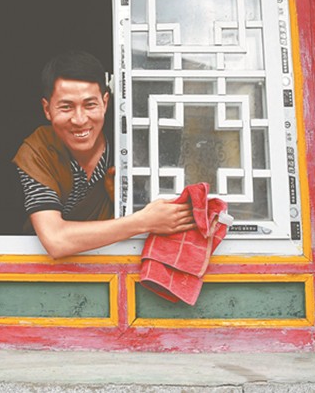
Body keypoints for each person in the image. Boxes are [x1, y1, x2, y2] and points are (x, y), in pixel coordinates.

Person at [13, 51, 196, 259]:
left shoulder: (127, 148)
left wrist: (120, 201)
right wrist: (143, 221)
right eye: (66, 107)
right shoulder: (38, 150)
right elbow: (55, 240)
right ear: (47, 109)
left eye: (90, 105)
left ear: (105, 102)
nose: (80, 120)